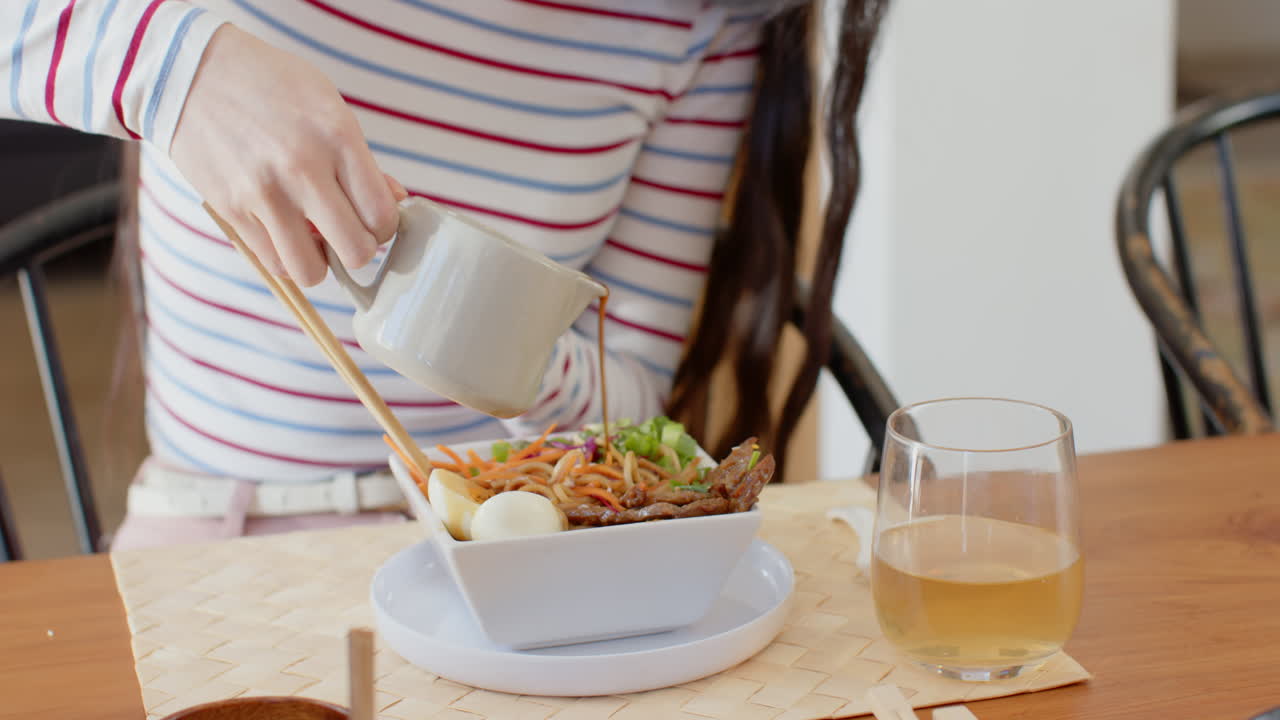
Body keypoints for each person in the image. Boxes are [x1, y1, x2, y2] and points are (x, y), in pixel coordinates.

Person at [1, 0, 886, 549]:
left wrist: (507, 344)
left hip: (516, 551)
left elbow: (636, 384)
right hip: (223, 533)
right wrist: (175, 68)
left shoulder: (699, 19)